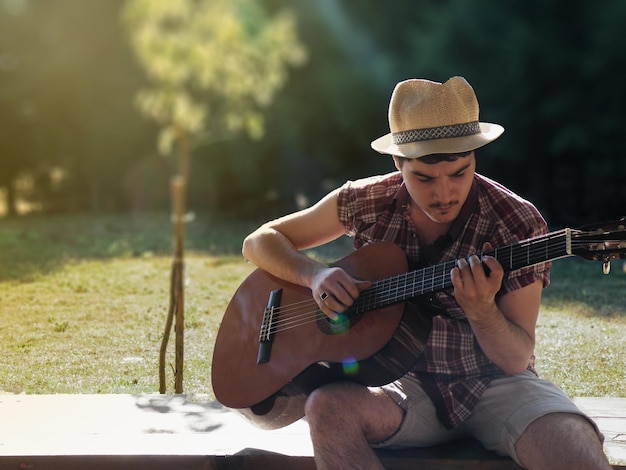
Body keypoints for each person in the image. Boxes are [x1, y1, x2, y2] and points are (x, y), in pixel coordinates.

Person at [241, 76, 611, 470]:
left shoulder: (517, 221)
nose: (444, 193)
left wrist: (482, 310)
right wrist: (313, 276)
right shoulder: (366, 201)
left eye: (459, 173)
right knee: (327, 406)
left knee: (574, 443)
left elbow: (516, 359)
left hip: (499, 386)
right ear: (398, 162)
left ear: (474, 158)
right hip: (398, 384)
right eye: (424, 178)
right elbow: (260, 241)